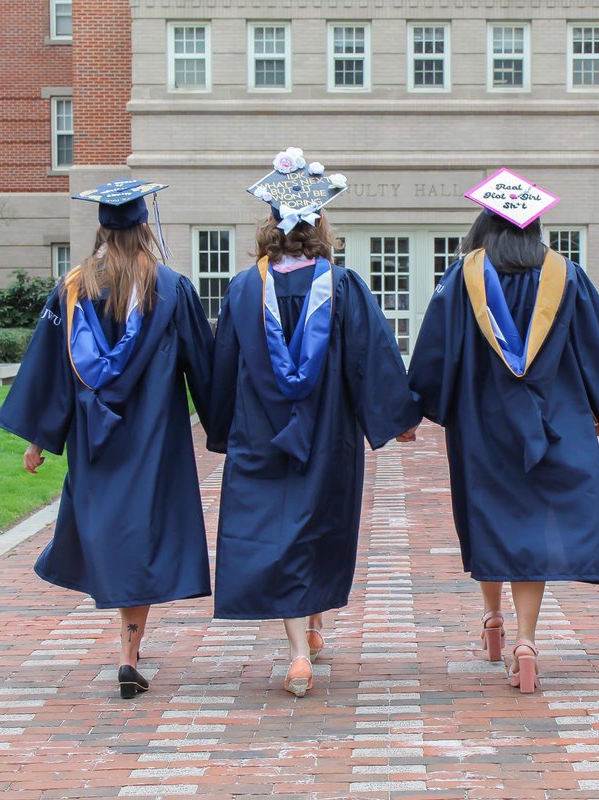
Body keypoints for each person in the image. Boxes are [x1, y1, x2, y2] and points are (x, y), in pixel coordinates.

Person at [206, 148, 421, 697]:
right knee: (315, 528)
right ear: (320, 228)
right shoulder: (344, 287)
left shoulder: (242, 289)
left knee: (278, 532)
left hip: (262, 434)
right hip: (327, 435)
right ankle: (301, 651)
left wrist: (222, 429)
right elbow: (374, 357)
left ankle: (304, 640)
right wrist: (397, 417)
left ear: (271, 227)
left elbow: (223, 367)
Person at [408, 169, 599, 694]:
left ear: (484, 227)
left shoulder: (462, 277)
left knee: (492, 517)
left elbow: (433, 350)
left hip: (482, 423)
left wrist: (416, 409)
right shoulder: (567, 276)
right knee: (534, 527)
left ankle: (492, 620)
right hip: (556, 421)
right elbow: (598, 349)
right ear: (536, 230)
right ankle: (526, 640)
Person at [0, 180, 214, 699]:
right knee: (145, 534)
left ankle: (129, 646)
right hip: (154, 438)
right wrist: (223, 426)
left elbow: (47, 368)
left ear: (100, 230)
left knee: (114, 533)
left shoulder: (72, 289)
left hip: (94, 439)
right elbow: (204, 364)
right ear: (144, 229)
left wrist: (38, 440)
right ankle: (128, 650)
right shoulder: (172, 289)